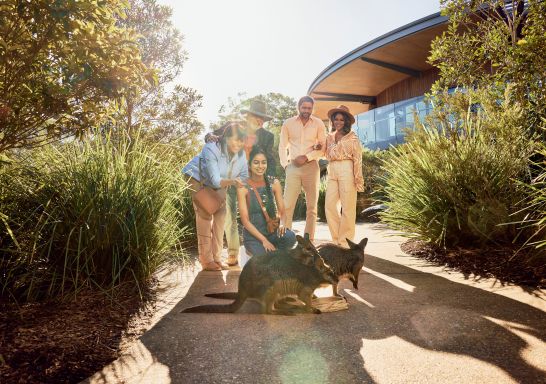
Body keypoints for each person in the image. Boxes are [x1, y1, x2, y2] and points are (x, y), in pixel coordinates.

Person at [205, 99, 276, 266]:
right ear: (248, 116)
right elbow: (209, 136)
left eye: (263, 119)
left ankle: (259, 248)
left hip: (251, 182)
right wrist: (211, 136)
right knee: (229, 215)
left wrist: (271, 180)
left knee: (253, 216)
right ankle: (233, 253)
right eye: (257, 116)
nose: (260, 120)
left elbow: (269, 160)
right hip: (230, 178)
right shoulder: (233, 127)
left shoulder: (267, 136)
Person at [182, 123, 248, 271]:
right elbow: (214, 179)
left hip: (220, 181)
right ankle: (206, 261)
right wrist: (232, 181)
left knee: (221, 214)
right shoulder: (211, 148)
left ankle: (217, 257)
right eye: (235, 139)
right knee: (205, 215)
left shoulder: (239, 153)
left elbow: (242, 174)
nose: (238, 143)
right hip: (197, 177)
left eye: (241, 140)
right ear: (226, 138)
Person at [278, 95, 326, 241]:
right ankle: (286, 240)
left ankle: (309, 240)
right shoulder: (288, 123)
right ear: (298, 107)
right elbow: (282, 146)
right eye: (304, 107)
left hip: (311, 167)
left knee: (312, 207)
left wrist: (307, 157)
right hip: (293, 167)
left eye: (309, 108)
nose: (306, 110)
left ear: (312, 108)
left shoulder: (318, 123)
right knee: (287, 205)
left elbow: (323, 147)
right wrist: (286, 165)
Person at [237, 146, 296, 257]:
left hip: (272, 231)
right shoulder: (242, 187)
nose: (260, 166)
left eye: (263, 162)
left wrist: (282, 224)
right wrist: (264, 240)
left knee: (290, 237)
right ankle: (272, 255)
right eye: (256, 163)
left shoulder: (274, 183)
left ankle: (277, 256)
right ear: (249, 165)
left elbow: (282, 211)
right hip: (254, 236)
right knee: (264, 257)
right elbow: (245, 221)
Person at [324, 105, 364, 247]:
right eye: (336, 119)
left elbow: (358, 159)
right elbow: (325, 154)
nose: (338, 122)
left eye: (341, 119)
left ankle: (345, 243)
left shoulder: (352, 138)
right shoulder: (329, 137)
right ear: (333, 121)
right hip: (332, 170)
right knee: (329, 206)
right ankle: (336, 239)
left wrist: (358, 180)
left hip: (347, 168)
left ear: (346, 121)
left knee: (348, 208)